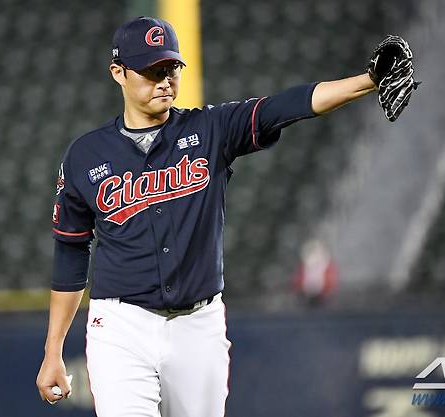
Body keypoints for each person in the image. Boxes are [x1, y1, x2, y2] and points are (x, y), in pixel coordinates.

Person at [35, 16, 414, 417]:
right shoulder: (85, 156)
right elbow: (71, 253)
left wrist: (368, 81)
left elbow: (282, 107)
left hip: (198, 324)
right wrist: (53, 350)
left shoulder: (210, 128)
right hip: (120, 326)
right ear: (118, 73)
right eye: (151, 71)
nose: (164, 80)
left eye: (170, 69)